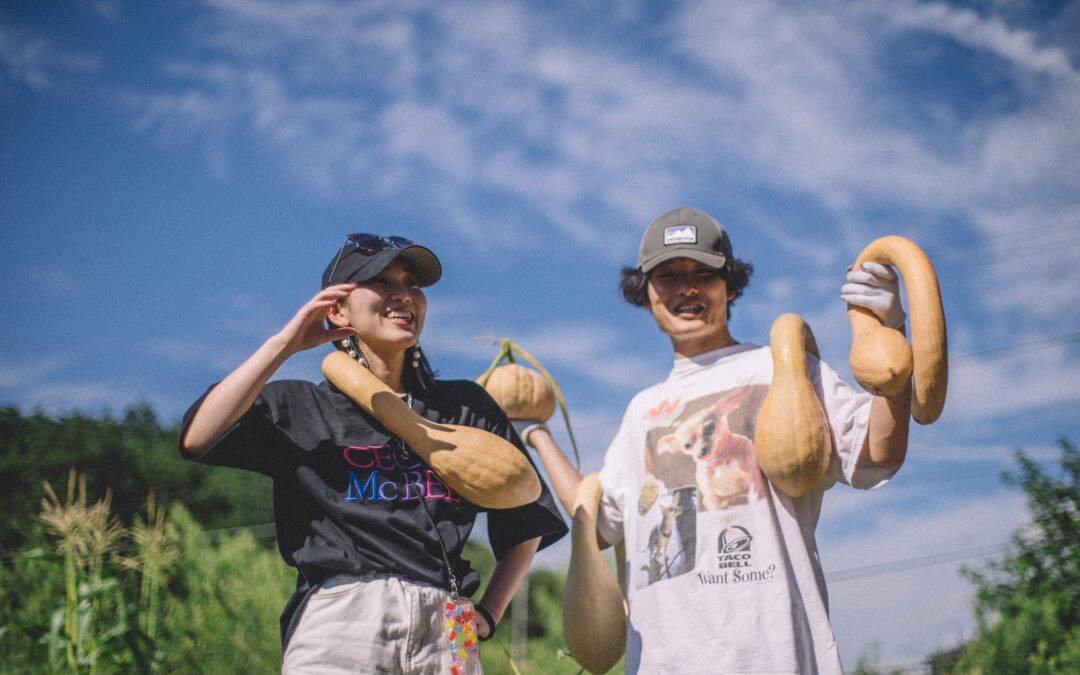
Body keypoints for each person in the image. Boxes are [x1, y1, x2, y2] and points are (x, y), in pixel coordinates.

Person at [518, 208, 911, 674]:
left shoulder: (782, 368)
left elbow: (878, 452)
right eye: (668, 276)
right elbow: (600, 525)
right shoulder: (642, 409)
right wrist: (534, 433)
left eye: (703, 273)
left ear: (731, 285)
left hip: (776, 658)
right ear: (645, 295)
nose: (687, 288)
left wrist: (890, 335)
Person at [179, 233, 567, 674]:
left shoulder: (466, 407)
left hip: (447, 625)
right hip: (343, 619)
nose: (402, 293)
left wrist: (489, 615)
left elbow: (527, 516)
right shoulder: (301, 406)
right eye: (380, 280)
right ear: (337, 308)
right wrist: (284, 344)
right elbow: (197, 437)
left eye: (412, 282)